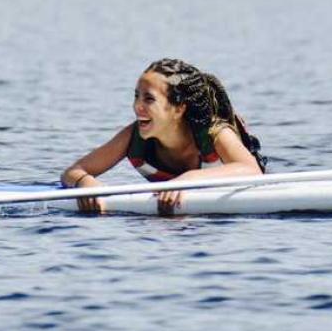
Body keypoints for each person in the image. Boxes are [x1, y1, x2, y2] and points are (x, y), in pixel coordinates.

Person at [60, 58, 267, 214]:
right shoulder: (133, 137)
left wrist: (187, 180)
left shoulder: (214, 133)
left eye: (149, 99)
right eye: (136, 96)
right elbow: (73, 171)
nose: (136, 106)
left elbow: (252, 170)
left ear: (179, 109)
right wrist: (85, 183)